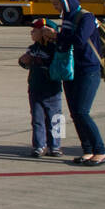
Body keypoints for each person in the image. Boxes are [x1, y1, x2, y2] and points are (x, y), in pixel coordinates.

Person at [48, 0, 105, 165]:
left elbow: (80, 40)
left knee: (82, 111)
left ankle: (100, 150)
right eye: (54, 4)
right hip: (71, 69)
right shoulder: (66, 17)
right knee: (75, 112)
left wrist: (57, 35)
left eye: (57, 3)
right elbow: (65, 43)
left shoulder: (86, 17)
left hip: (88, 69)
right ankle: (87, 150)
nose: (55, 6)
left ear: (67, 0)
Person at [17, 19, 62, 157]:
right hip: (35, 87)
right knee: (37, 118)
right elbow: (25, 63)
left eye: (35, 30)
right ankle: (39, 145)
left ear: (44, 33)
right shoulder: (33, 48)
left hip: (52, 88)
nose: (31, 32)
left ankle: (55, 146)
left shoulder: (56, 48)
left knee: (55, 118)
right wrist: (23, 61)